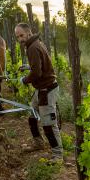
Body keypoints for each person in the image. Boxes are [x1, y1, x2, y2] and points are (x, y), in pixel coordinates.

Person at [15, 23, 63, 162]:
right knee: (32, 116)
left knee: (48, 124)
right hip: (41, 89)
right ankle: (39, 143)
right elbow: (41, 64)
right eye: (18, 37)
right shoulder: (36, 43)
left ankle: (58, 155)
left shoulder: (32, 48)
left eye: (22, 35)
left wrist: (24, 80)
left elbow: (37, 73)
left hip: (46, 89)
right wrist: (28, 66)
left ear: (28, 33)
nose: (20, 39)